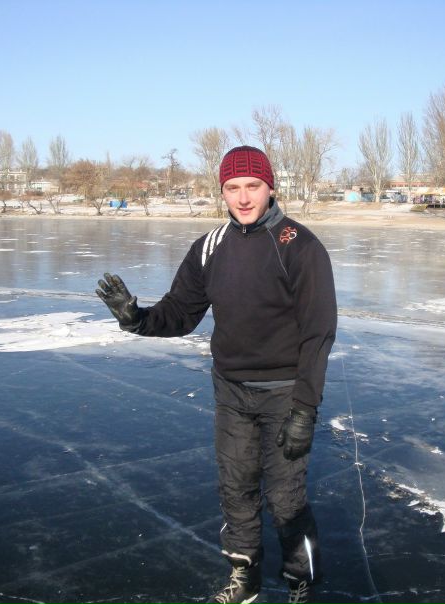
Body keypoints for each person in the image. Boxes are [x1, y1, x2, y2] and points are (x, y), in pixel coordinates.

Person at [95, 146, 337, 604]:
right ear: (222, 192)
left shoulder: (300, 246)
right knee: (236, 488)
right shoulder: (210, 247)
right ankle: (244, 576)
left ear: (270, 188)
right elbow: (181, 313)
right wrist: (137, 318)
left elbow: (318, 332)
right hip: (231, 392)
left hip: (285, 393)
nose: (243, 198)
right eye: (232, 188)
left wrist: (305, 408)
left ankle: (301, 581)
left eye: (252, 186)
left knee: (286, 500)